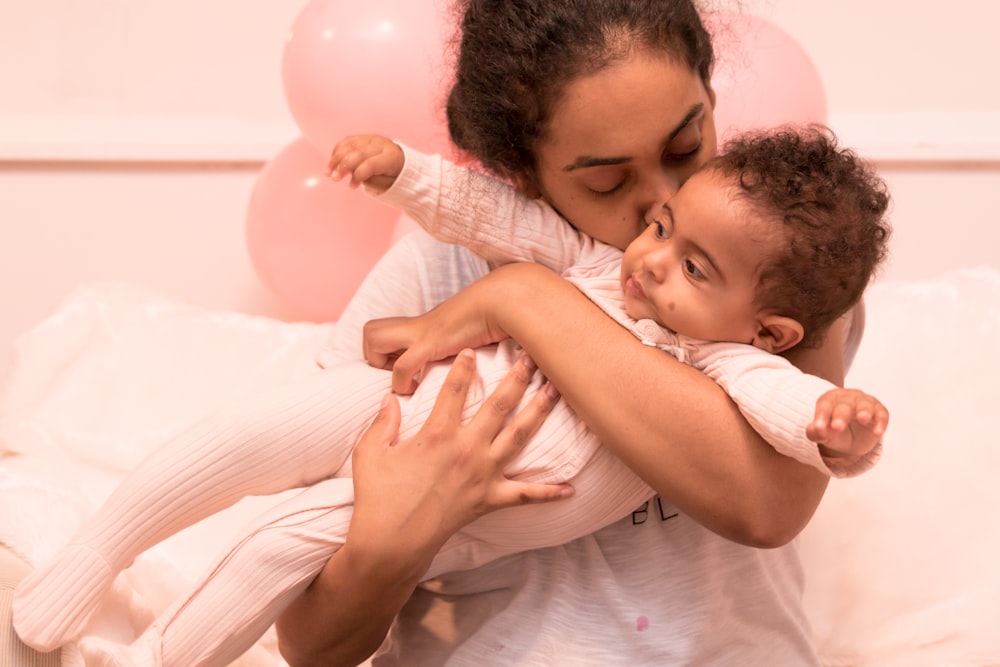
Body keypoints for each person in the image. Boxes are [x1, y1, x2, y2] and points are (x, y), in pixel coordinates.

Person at [11, 125, 888, 666]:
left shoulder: (737, 339)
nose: (651, 240)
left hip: (492, 504)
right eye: (641, 211)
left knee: (274, 541)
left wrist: (832, 426)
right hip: (407, 409)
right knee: (242, 436)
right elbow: (489, 218)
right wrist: (404, 175)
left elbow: (781, 426)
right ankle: (88, 559)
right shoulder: (590, 257)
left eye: (688, 261)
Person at [275, 1, 889, 666]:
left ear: (711, 96)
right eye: (606, 180)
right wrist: (392, 543)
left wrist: (524, 298)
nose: (662, 200)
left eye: (686, 146)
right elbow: (310, 643)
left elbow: (769, 505)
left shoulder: (776, 266)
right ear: (518, 173)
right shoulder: (433, 275)